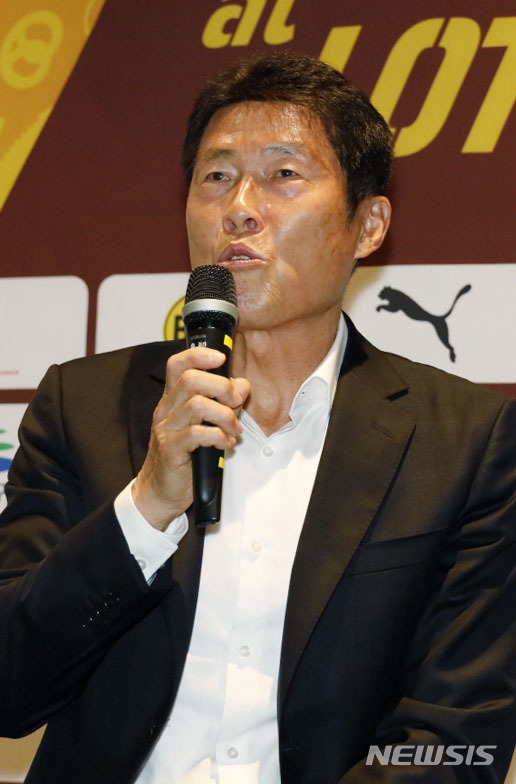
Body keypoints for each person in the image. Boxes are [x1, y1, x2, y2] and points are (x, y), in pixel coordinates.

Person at [0, 51, 515, 784]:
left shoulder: (464, 441)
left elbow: (455, 737)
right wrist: (145, 507)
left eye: (283, 174)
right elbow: (10, 684)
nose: (239, 206)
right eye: (216, 176)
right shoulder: (82, 406)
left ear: (368, 225)